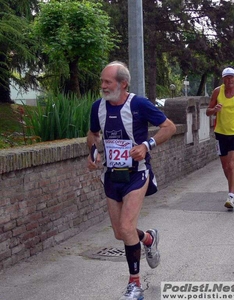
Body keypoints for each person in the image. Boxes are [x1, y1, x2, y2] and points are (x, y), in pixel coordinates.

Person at [87, 61, 176, 300]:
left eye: (108, 82)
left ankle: (135, 285)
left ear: (122, 83)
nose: (103, 86)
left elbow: (169, 127)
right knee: (120, 232)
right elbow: (94, 134)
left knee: (126, 228)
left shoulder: (138, 104)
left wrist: (147, 145)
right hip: (111, 176)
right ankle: (148, 238)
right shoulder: (98, 107)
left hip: (137, 173)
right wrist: (93, 153)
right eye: (102, 82)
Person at [207, 67, 234, 210]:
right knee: (225, 166)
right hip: (220, 133)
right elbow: (208, 111)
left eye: (232, 77)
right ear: (223, 79)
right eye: (227, 77)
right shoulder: (217, 91)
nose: (229, 80)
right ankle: (233, 184)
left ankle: (231, 196)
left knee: (231, 165)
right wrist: (214, 110)